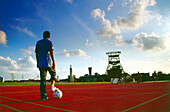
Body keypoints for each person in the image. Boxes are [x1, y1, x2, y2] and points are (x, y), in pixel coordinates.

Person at [35, 31, 58, 100]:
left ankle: (43, 96)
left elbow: (37, 53)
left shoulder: (38, 42)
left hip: (41, 64)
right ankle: (52, 86)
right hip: (48, 63)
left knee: (43, 81)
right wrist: (54, 62)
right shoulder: (50, 42)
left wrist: (38, 62)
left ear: (43, 36)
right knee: (54, 74)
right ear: (49, 36)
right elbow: (51, 52)